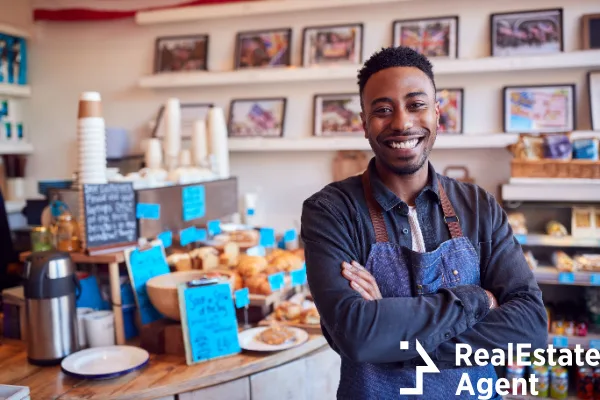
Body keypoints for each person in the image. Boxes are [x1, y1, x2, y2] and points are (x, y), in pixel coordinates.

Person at [300, 46, 548, 400]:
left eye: (416, 105)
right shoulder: (331, 211)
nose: (401, 122)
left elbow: (530, 330)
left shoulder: (479, 206)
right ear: (364, 124)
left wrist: (389, 333)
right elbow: (356, 334)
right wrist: (475, 300)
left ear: (436, 113)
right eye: (383, 110)